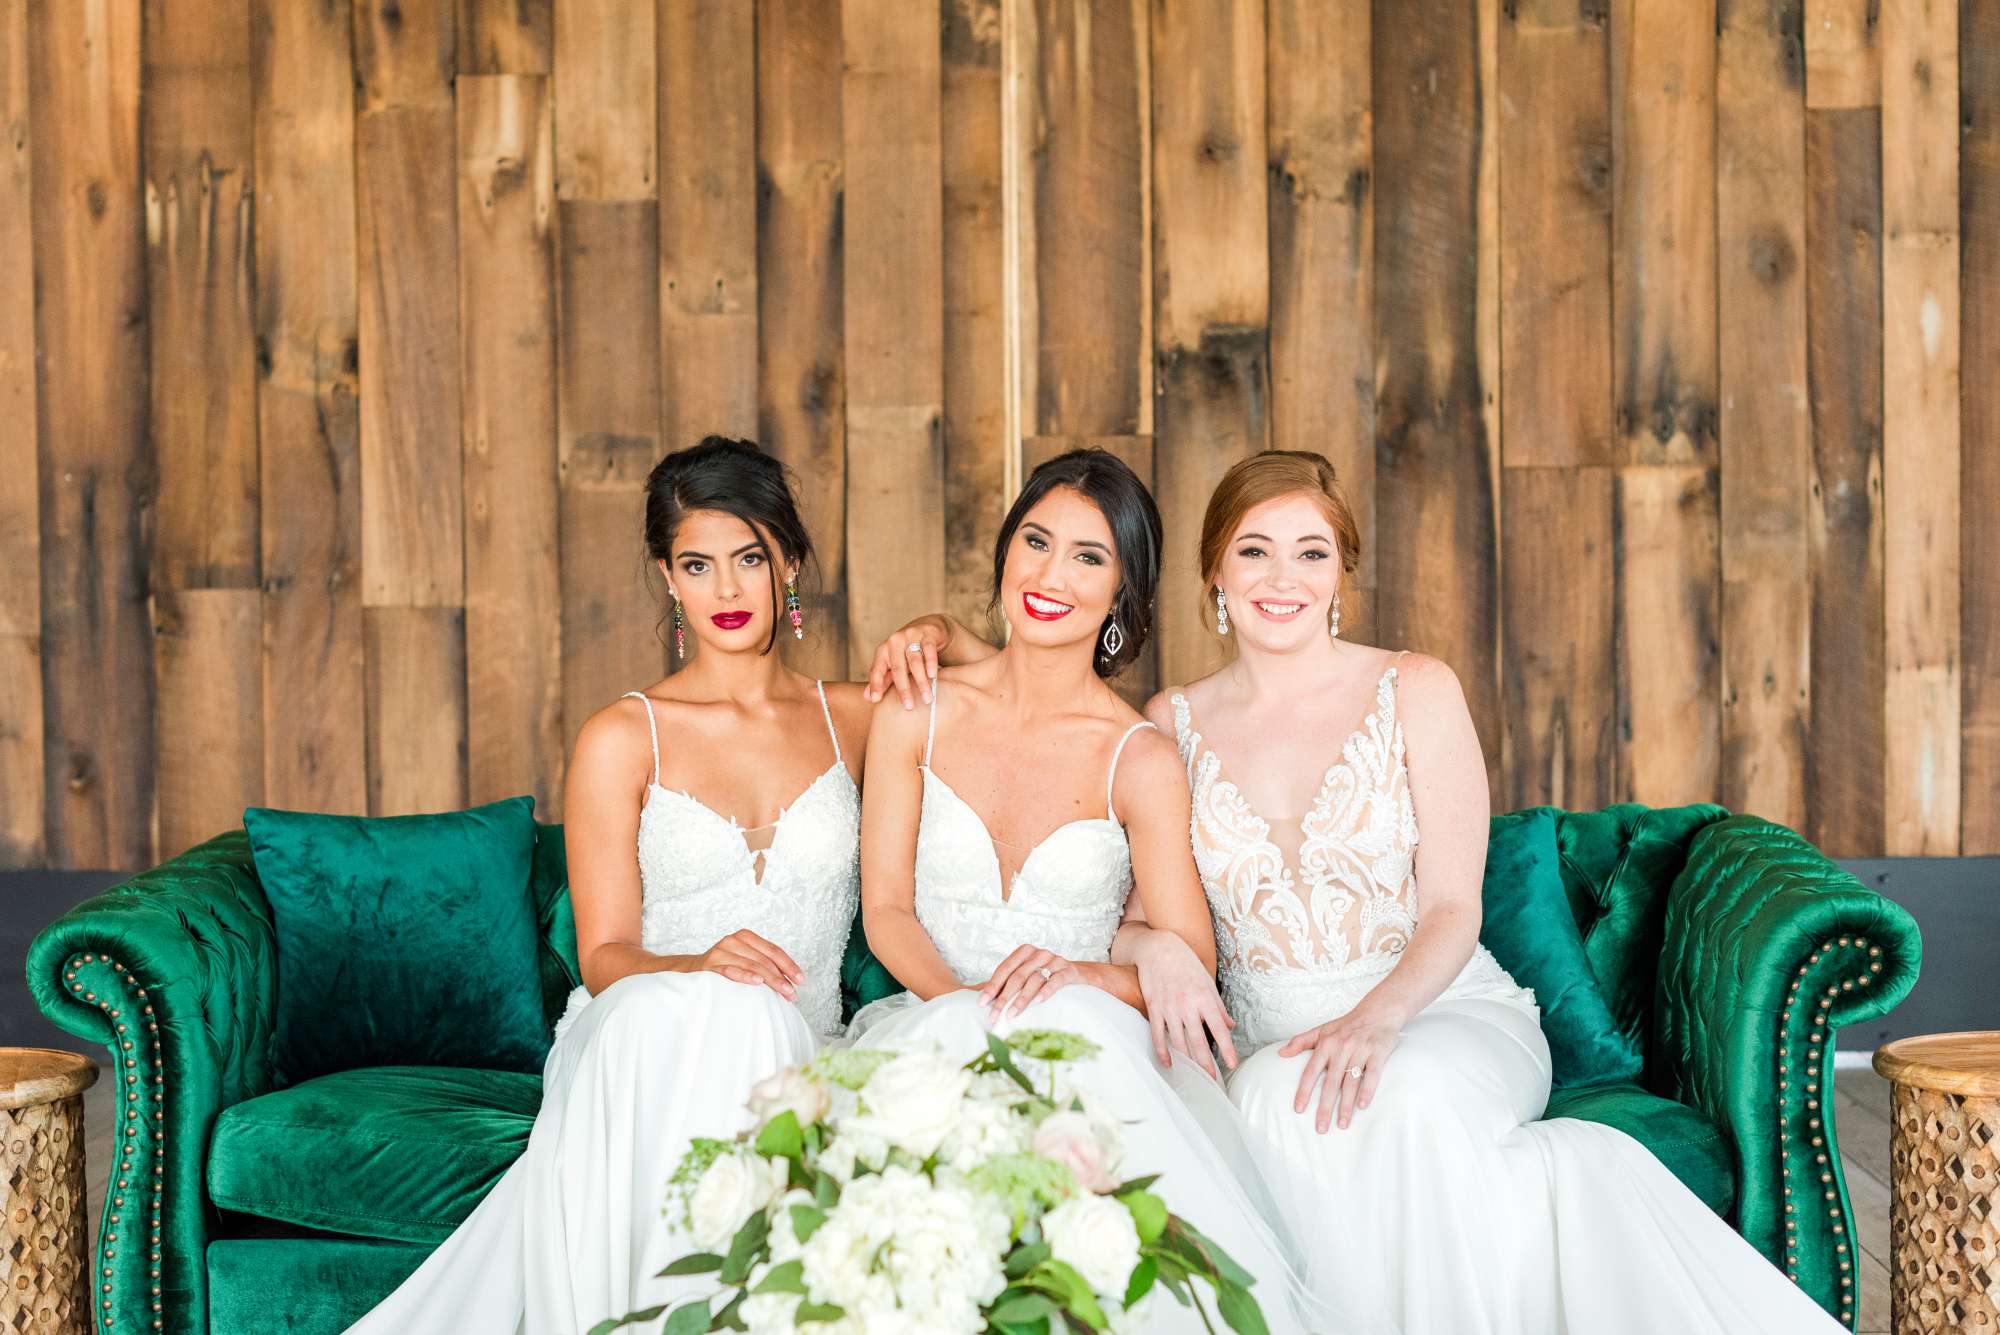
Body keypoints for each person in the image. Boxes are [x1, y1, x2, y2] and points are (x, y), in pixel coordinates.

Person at [1124, 449, 1845, 1334]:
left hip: (1438, 1012)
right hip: (1273, 1035)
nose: (1284, 578)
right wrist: (1151, 944)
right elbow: (1134, 918)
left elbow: (1453, 910)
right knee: (1282, 1099)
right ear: (1214, 574)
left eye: (1311, 552)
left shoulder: (1413, 689)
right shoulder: (1170, 724)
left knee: (1403, 1093)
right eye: (1254, 550)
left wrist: (1379, 1017)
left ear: (1341, 573)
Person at [347, 437, 979, 1334]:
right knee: (728, 1008)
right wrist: (698, 964)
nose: (726, 590)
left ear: (788, 564)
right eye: (698, 564)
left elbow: (1010, 686)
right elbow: (603, 956)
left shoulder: (854, 715)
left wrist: (941, 632)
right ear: (668, 578)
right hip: (645, 1022)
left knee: (792, 1025)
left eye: (749, 558)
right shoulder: (621, 735)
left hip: (803, 1036)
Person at [851, 448, 1321, 1334]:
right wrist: (966, 1015)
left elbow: (1191, 957)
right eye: (1035, 541)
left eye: (1088, 557)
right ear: (1003, 554)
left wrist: (1076, 975)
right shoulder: (917, 705)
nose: (1050, 574)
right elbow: (886, 910)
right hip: (933, 1012)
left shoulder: (1137, 756)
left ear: (1122, 597)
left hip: (1085, 1033)